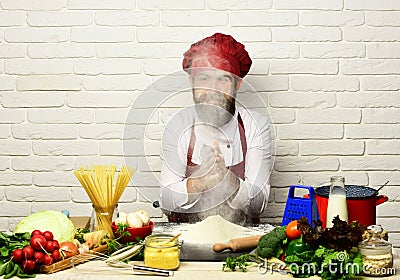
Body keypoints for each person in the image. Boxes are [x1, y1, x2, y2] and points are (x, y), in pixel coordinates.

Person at [159, 33, 273, 225]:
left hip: (241, 239)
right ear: (192, 83)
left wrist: (230, 182)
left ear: (238, 84)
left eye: (223, 79)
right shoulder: (177, 125)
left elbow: (259, 204)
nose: (213, 89)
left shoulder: (255, 125)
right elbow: (165, 201)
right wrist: (199, 183)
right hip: (184, 239)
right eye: (204, 78)